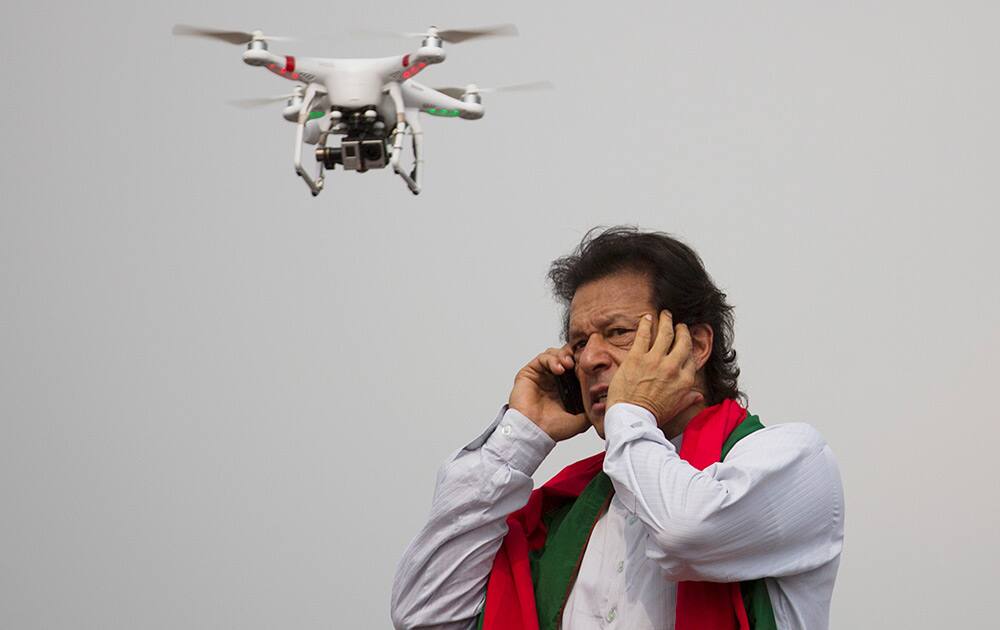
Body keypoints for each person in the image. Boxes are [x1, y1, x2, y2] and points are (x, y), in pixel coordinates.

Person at [390, 227, 844, 630]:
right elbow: (424, 615)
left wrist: (632, 410)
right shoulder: (561, 514)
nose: (589, 359)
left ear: (698, 344)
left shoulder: (792, 460)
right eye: (579, 342)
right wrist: (521, 437)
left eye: (619, 332)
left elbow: (686, 532)